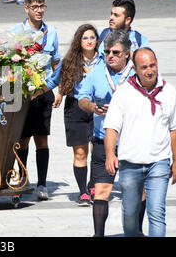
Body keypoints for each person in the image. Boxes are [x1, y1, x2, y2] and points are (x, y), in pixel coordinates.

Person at [104, 47, 176, 237]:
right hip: (130, 163)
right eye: (144, 67)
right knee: (130, 214)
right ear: (135, 69)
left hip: (159, 163)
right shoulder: (123, 93)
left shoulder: (169, 91)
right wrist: (110, 154)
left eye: (153, 65)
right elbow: (112, 128)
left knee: (157, 213)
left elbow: (174, 129)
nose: (149, 71)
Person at [77, 30, 135, 236]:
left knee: (138, 192)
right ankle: (98, 234)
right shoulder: (97, 72)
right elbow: (81, 97)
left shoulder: (136, 74)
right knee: (101, 191)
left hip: (131, 142)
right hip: (102, 141)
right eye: (107, 51)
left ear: (127, 53)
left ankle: (136, 231)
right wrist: (93, 107)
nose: (110, 55)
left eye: (116, 52)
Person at [11, 0, 61, 200]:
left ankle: (42, 184)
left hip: (44, 92)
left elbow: (56, 61)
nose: (39, 10)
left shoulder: (52, 32)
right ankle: (23, 180)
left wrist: (59, 90)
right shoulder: (16, 32)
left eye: (42, 6)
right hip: (23, 94)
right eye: (35, 7)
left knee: (42, 139)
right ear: (26, 8)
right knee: (22, 141)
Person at [46, 24, 102, 206]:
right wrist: (30, 92)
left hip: (98, 109)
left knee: (98, 151)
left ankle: (93, 184)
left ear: (97, 40)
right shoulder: (69, 60)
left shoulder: (103, 60)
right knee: (80, 152)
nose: (89, 41)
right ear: (79, 41)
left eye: (92, 37)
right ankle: (83, 192)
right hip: (75, 108)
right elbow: (52, 81)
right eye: (85, 38)